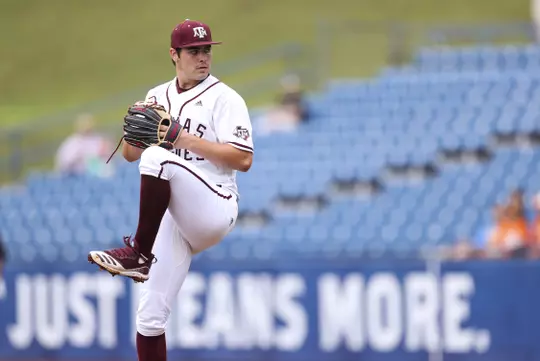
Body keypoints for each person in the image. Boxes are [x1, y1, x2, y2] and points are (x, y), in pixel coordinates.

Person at [87, 19, 253, 361]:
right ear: (174, 55)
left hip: (215, 203)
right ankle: (142, 257)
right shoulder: (157, 95)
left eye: (206, 50)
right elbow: (134, 155)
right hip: (175, 215)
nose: (203, 57)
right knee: (149, 319)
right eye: (193, 51)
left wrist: (180, 138)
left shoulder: (225, 98)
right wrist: (133, 129)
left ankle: (138, 255)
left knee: (159, 157)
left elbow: (243, 158)